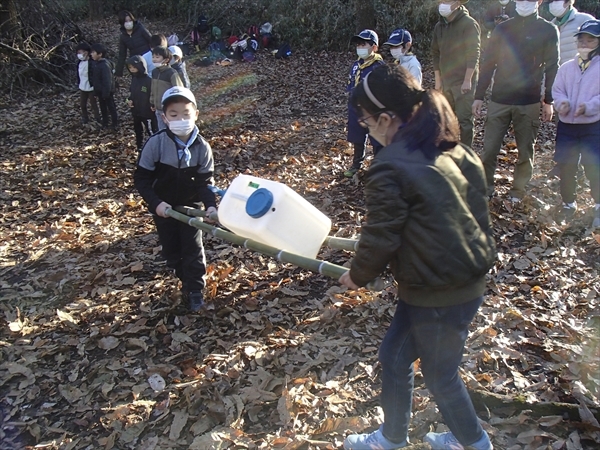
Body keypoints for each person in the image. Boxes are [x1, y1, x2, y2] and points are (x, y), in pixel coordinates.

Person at [339, 64, 496, 450]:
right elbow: (476, 212)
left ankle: (474, 443)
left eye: (365, 121)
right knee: (394, 356)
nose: (364, 128)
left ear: (386, 119)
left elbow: (381, 235)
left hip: (440, 291)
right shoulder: (455, 150)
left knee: (440, 376)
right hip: (448, 283)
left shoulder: (390, 165)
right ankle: (393, 436)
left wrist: (357, 275)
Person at [134, 86, 217, 312]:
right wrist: (156, 203)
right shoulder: (156, 143)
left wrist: (210, 206)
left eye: (186, 114)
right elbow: (141, 178)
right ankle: (184, 280)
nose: (181, 119)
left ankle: (195, 290)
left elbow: (205, 183)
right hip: (165, 207)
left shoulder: (202, 147)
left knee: (192, 248)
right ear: (164, 117)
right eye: (174, 115)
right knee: (172, 251)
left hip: (190, 206)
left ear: (196, 114)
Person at [473, 0, 559, 201]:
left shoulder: (547, 30)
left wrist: (548, 100)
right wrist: (479, 96)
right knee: (489, 149)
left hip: (528, 101)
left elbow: (553, 66)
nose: (524, 3)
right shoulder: (502, 28)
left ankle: (518, 191)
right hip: (499, 99)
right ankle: (486, 187)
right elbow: (488, 63)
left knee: (525, 152)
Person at [552, 19, 600, 227]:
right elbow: (557, 90)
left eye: (591, 40)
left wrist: (588, 107)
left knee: (593, 165)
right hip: (567, 124)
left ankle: (598, 205)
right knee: (567, 165)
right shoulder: (566, 67)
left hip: (592, 125)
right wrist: (561, 103)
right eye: (582, 39)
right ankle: (568, 203)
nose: (585, 44)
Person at [432, 0, 481, 148]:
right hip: (446, 82)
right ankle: (447, 151)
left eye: (447, 1)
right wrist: (438, 82)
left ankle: (466, 153)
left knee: (465, 121)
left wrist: (468, 79)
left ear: (458, 3)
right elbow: (435, 53)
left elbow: (473, 53)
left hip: (462, 82)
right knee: (445, 120)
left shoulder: (469, 24)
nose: (443, 4)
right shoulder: (439, 27)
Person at [344, 29, 386, 178]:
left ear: (374, 47)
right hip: (356, 107)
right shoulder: (356, 65)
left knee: (376, 139)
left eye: (364, 44)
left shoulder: (378, 66)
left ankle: (379, 166)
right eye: (358, 44)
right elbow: (351, 83)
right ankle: (356, 164)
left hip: (372, 109)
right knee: (357, 136)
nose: (360, 47)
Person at [546, 0, 595, 65]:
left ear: (569, 2)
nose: (552, 4)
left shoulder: (585, 20)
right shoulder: (549, 26)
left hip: (583, 71)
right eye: (550, 1)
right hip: (560, 73)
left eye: (556, 0)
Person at [126, 55, 158, 151]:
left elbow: (153, 94)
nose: (132, 69)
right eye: (130, 68)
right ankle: (140, 146)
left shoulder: (148, 80)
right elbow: (131, 94)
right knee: (138, 130)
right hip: (136, 111)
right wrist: (129, 100)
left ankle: (155, 148)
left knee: (151, 131)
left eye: (134, 67)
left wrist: (153, 105)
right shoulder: (134, 79)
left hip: (147, 112)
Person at [150, 46, 183, 130]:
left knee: (173, 130)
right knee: (162, 131)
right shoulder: (154, 72)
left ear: (166, 59)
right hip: (158, 109)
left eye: (157, 57)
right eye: (153, 57)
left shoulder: (171, 73)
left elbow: (179, 90)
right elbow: (153, 88)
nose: (154, 59)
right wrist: (152, 102)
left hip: (170, 108)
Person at [90, 43, 118, 130]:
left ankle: (115, 123)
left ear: (100, 54)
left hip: (107, 92)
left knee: (111, 107)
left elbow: (107, 80)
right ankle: (105, 122)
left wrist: (106, 93)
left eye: (93, 52)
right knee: (103, 108)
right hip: (100, 91)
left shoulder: (104, 65)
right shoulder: (95, 64)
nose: (91, 54)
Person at [115, 10, 152, 77]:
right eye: (126, 21)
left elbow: (151, 40)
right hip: (136, 62)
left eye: (130, 20)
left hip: (147, 58)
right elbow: (122, 55)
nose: (128, 23)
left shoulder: (140, 29)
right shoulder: (123, 37)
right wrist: (118, 72)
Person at [75, 42, 101, 125]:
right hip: (82, 87)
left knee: (93, 104)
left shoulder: (92, 63)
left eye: (80, 52)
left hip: (91, 87)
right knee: (82, 104)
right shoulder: (79, 63)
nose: (79, 55)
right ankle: (85, 118)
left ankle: (97, 118)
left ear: (86, 52)